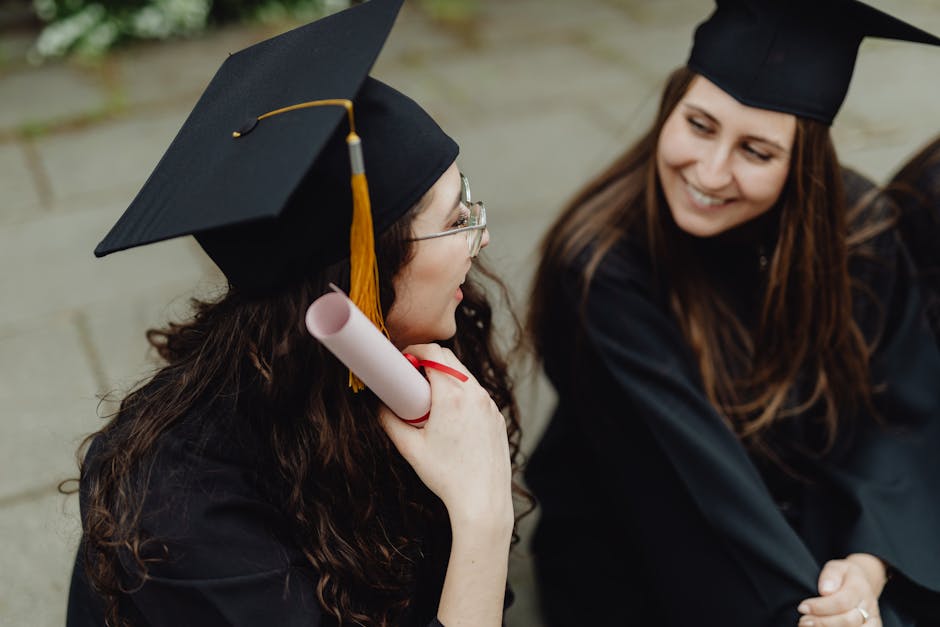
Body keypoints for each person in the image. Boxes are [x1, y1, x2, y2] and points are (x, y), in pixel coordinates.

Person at [65, 1, 526, 625]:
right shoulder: (181, 510)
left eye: (468, 201)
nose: (481, 236)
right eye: (456, 220)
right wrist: (481, 516)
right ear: (359, 275)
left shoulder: (425, 342)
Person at [524, 1, 940, 625]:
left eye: (756, 151)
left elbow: (899, 417)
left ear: (801, 165)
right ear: (670, 108)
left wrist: (869, 562)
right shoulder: (603, 269)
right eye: (699, 125)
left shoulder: (859, 232)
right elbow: (696, 488)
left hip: (824, 516)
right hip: (652, 541)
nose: (711, 172)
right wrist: (818, 614)